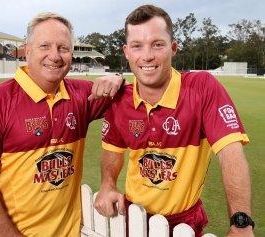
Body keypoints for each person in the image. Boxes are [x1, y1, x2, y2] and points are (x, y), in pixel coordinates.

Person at [94, 4, 254, 237]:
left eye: (157, 44)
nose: (147, 56)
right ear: (126, 51)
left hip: (184, 222)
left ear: (173, 48)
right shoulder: (119, 100)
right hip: (133, 218)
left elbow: (231, 152)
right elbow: (112, 150)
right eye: (137, 46)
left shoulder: (202, 89)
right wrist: (108, 184)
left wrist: (241, 224)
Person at [0, 12, 124, 237]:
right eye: (44, 46)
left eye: (63, 48)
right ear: (27, 51)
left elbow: (136, 98)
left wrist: (118, 78)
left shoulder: (82, 95)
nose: (54, 56)